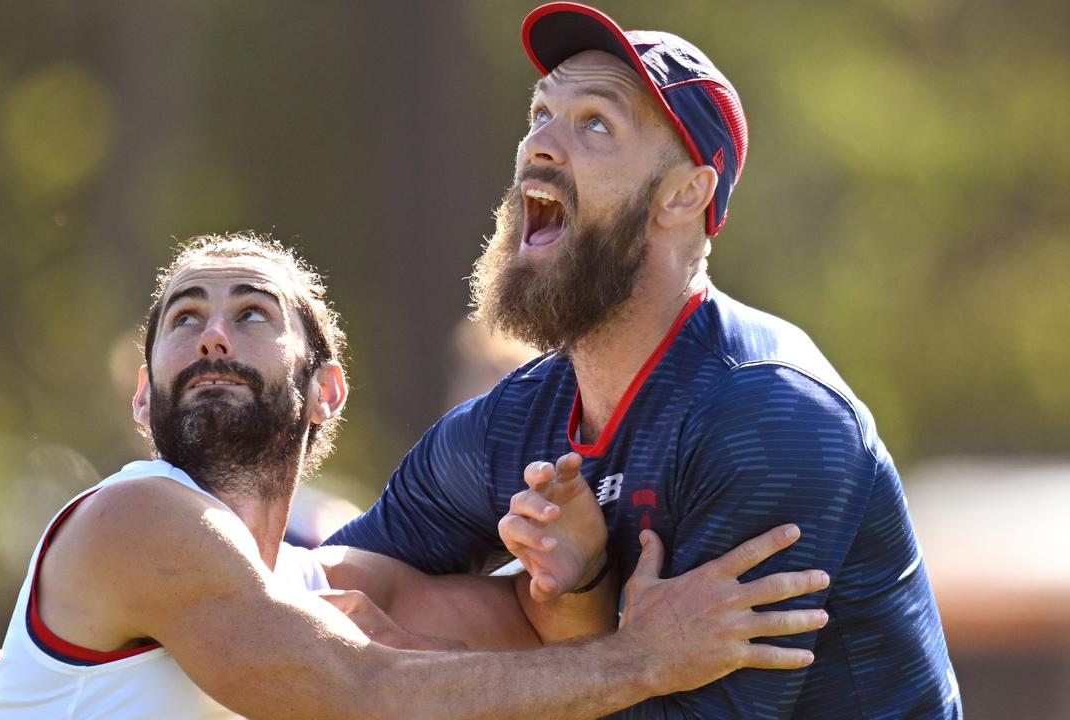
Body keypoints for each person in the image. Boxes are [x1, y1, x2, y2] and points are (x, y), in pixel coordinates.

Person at [325, 3, 962, 718]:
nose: (541, 143)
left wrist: (426, 675)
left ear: (686, 193)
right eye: (540, 113)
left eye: (595, 123)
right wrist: (185, 568)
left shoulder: (771, 412)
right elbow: (329, 589)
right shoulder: (514, 422)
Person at [0, 232, 829, 719]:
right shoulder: (135, 516)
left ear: (327, 392)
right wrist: (648, 660)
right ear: (144, 399)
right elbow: (352, 690)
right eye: (184, 319)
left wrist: (579, 575)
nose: (213, 334)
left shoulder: (335, 588)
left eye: (252, 314)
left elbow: (541, 652)